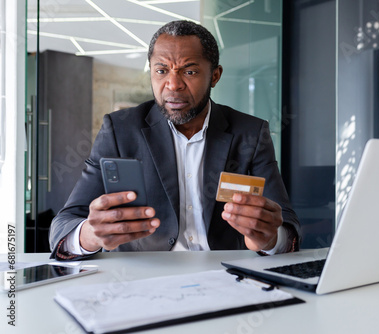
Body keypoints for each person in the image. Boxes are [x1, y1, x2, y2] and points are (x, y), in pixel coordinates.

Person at [49, 20, 301, 260]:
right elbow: (63, 226)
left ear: (214, 76)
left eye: (189, 71)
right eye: (161, 70)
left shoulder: (251, 132)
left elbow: (287, 226)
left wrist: (269, 239)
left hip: (226, 274)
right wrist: (91, 234)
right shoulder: (119, 129)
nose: (173, 84)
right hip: (145, 279)